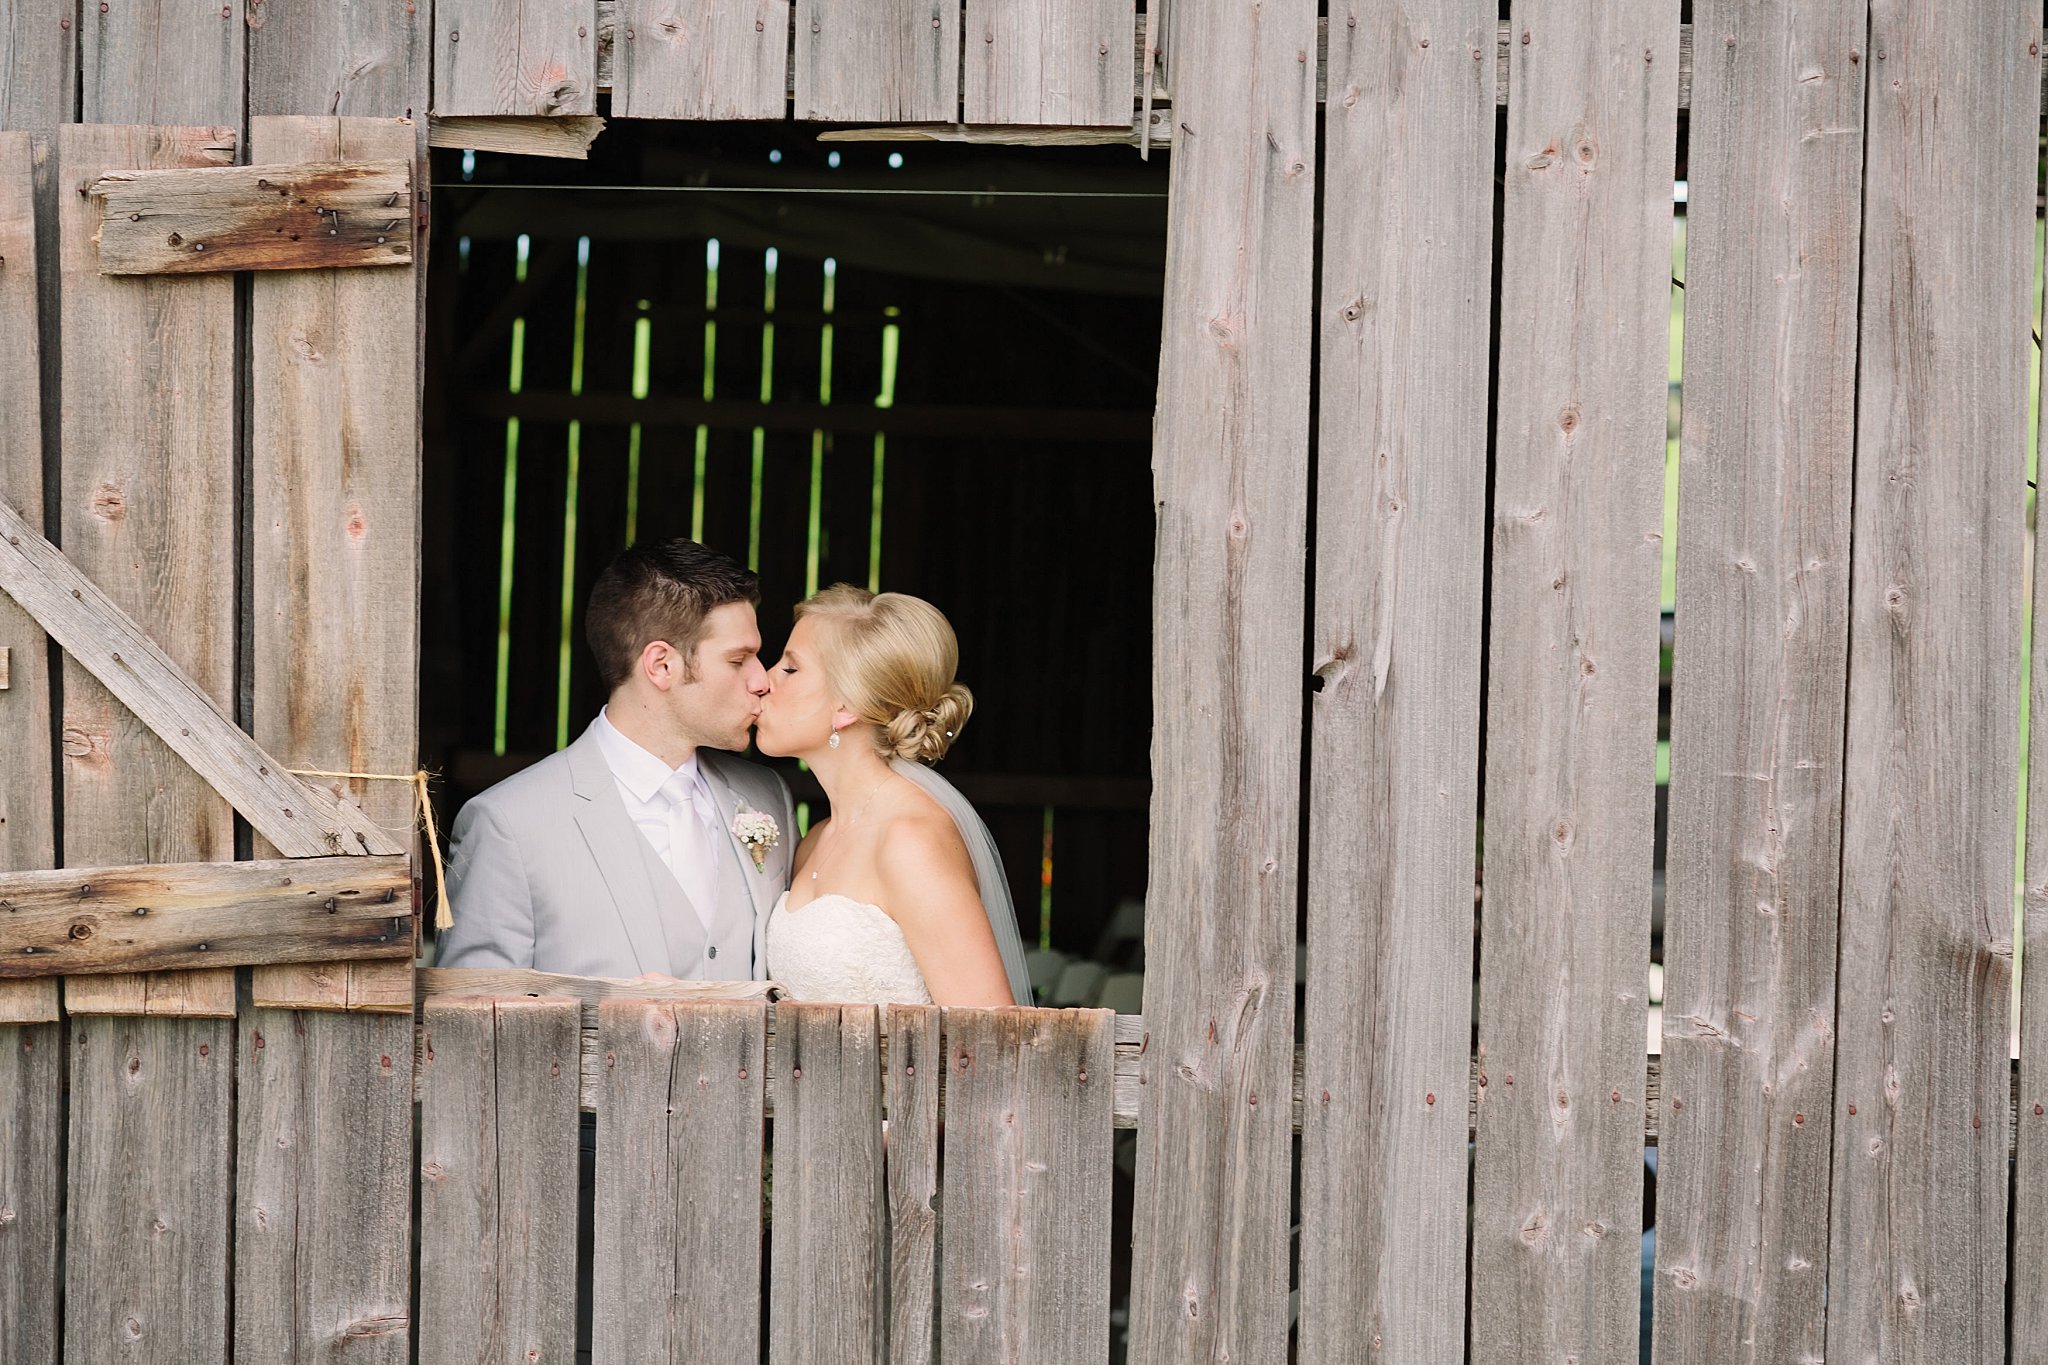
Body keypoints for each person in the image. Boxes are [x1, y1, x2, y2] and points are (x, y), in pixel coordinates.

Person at [436, 539, 797, 980]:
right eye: (739, 659)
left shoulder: (766, 796)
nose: (762, 679)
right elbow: (472, 1026)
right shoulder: (508, 826)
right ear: (662, 666)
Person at [754, 584, 1030, 1006]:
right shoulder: (815, 841)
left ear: (846, 706)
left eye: (789, 669)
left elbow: (992, 1038)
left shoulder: (911, 840)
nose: (762, 680)